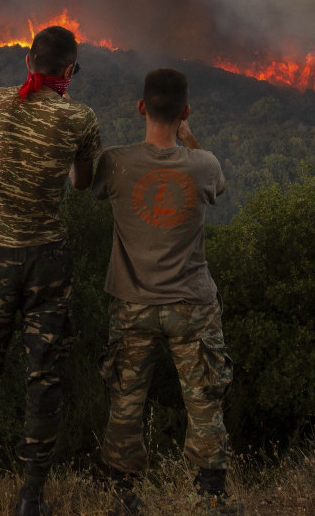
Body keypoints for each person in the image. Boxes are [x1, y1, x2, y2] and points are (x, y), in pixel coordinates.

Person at [0, 25, 102, 516]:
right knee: (43, 378)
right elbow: (81, 183)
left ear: (29, 62)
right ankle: (31, 500)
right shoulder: (80, 118)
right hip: (47, 263)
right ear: (69, 70)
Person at [92, 68, 240, 516]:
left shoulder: (114, 163)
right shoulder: (204, 164)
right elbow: (222, 186)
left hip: (133, 304)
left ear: (141, 107)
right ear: (185, 112)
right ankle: (211, 499)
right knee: (203, 399)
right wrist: (190, 139)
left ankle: (122, 498)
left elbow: (89, 187)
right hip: (191, 304)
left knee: (126, 400)